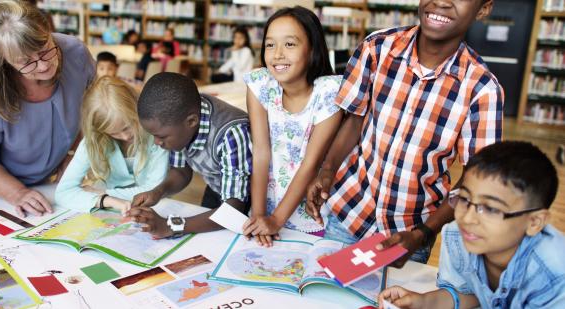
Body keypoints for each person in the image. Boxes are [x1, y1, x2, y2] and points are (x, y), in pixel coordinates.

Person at [306, 0, 503, 265]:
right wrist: (327, 171)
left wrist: (422, 234)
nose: (441, 1)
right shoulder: (376, 48)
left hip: (409, 234)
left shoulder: (482, 89)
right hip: (348, 213)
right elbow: (354, 120)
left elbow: (475, 178)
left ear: (483, 9)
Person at [379, 141, 565, 309]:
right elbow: (468, 295)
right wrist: (422, 302)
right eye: (465, 199)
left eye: (490, 208)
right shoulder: (458, 236)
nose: (467, 219)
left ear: (534, 222)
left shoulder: (555, 275)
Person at [0, 0, 95, 217]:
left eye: (46, 49)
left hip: (56, 184)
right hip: (2, 192)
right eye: (26, 62)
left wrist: (74, 155)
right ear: (3, 61)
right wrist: (17, 193)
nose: (44, 65)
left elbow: (93, 107)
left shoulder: (75, 53)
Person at [241, 7, 342, 247]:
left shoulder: (329, 92)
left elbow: (311, 162)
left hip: (311, 215)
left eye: (289, 44)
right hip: (268, 207)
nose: (277, 55)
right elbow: (261, 152)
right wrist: (259, 215)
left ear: (312, 50)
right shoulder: (260, 84)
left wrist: (277, 219)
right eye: (269, 45)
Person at [126, 72, 252, 239]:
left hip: (247, 203)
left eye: (161, 136)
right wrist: (157, 192)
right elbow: (181, 171)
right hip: (217, 188)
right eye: (153, 135)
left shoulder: (232, 134)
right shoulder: (179, 120)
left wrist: (170, 225)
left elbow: (233, 211)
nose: (157, 142)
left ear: (192, 121)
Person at [55, 76, 168, 213]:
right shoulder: (94, 140)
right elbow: (63, 192)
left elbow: (154, 190)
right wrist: (105, 200)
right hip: (112, 209)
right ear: (100, 131)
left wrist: (103, 192)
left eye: (127, 126)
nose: (125, 136)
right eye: (114, 133)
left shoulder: (156, 136)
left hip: (159, 207)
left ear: (136, 109)